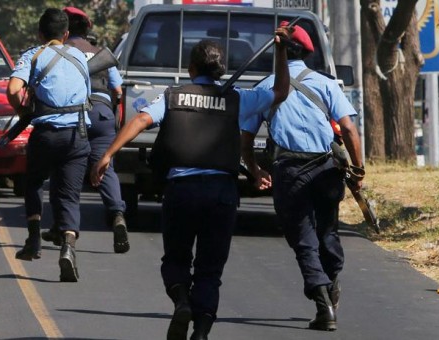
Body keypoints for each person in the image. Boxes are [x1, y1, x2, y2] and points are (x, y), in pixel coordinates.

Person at [91, 29, 292, 339]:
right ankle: (201, 330)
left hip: (180, 192)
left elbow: (140, 121)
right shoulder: (238, 98)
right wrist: (281, 51)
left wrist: (107, 155)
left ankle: (182, 300)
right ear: (221, 70)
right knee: (210, 270)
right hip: (222, 194)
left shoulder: (173, 96)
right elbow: (280, 91)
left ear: (192, 69)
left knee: (175, 259)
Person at [240, 22, 364, 332]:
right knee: (328, 232)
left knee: (303, 239)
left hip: (290, 171)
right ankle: (331, 282)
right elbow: (348, 129)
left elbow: (245, 136)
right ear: (308, 52)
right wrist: (358, 171)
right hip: (327, 169)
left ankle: (323, 303)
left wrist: (254, 169)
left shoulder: (266, 87)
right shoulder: (325, 84)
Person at [6, 8, 91, 283]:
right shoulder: (79, 56)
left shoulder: (34, 54)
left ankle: (33, 240)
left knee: (33, 183)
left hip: (46, 134)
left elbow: (12, 90)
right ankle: (67, 246)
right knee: (69, 195)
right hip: (77, 134)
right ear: (66, 34)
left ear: (40, 34)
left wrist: (22, 112)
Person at [39, 6, 130, 254]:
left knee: (64, 168)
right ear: (88, 29)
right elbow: (118, 91)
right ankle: (117, 214)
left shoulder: (62, 52)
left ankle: (61, 226)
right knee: (105, 165)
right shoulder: (101, 52)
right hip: (102, 114)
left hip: (73, 115)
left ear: (65, 30)